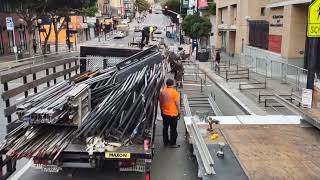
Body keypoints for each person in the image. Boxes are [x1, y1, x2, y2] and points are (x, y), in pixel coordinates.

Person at [159, 79, 181, 148]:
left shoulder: (162, 92)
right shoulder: (175, 93)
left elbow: (160, 102)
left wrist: (162, 110)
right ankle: (172, 143)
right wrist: (179, 112)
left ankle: (165, 142)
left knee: (165, 128)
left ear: (166, 84)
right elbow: (177, 104)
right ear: (173, 84)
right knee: (173, 129)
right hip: (172, 114)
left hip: (164, 113)